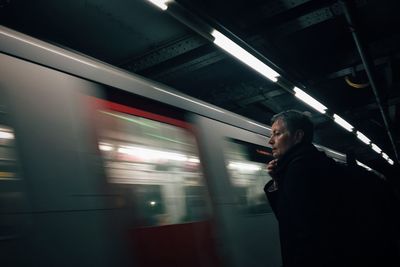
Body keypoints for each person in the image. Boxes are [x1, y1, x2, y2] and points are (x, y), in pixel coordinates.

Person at [264, 110, 399, 267]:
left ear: (298, 136)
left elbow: (297, 228)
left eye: (277, 133)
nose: (270, 141)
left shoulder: (301, 169)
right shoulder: (315, 161)